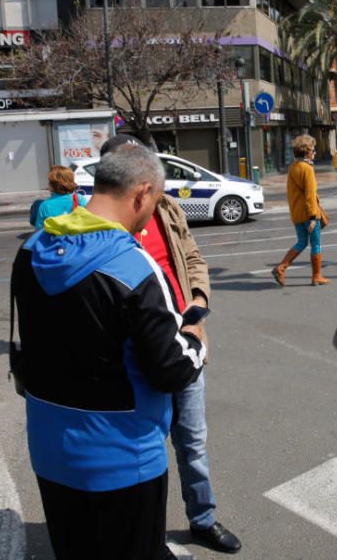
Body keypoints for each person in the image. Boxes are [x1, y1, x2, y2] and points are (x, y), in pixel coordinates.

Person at [11, 145, 207, 559]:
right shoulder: (133, 266)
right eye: (154, 203)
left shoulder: (31, 250)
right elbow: (170, 370)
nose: (152, 213)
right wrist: (195, 337)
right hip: (123, 459)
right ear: (142, 193)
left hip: (50, 449)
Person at [100, 134, 242, 554]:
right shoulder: (95, 222)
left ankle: (202, 519)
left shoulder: (167, 209)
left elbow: (193, 260)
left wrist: (197, 305)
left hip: (183, 344)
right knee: (140, 452)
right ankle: (146, 533)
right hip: (132, 357)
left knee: (192, 442)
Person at [272, 134, 329, 286]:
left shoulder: (292, 167)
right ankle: (316, 276)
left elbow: (292, 193)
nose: (314, 152)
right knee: (315, 245)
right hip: (309, 214)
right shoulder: (307, 169)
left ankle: (281, 267)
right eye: (313, 150)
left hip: (296, 213)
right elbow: (310, 195)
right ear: (306, 152)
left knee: (302, 242)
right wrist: (312, 217)